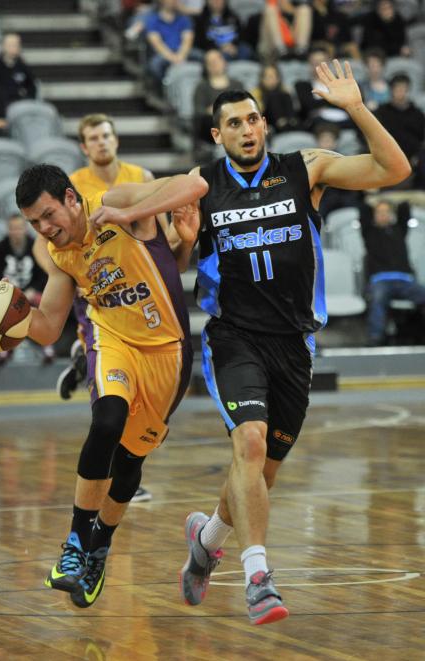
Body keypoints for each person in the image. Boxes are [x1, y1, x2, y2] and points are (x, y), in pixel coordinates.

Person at [168, 63, 410, 625]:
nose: (248, 129)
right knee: (248, 448)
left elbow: (395, 168)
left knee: (260, 474)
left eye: (254, 118)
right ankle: (258, 579)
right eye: (234, 122)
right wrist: (182, 247)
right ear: (217, 135)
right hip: (233, 338)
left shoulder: (305, 168)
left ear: (265, 124)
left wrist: (356, 106)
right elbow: (178, 262)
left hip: (294, 344)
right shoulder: (201, 185)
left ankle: (206, 539)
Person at [12, 163, 207, 609]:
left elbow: (194, 184)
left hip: (167, 351)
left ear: (71, 199)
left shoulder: (115, 203)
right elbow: (46, 328)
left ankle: (100, 544)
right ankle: (76, 544)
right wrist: (8, 311)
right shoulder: (61, 256)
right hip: (112, 341)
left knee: (130, 458)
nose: (44, 228)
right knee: (107, 420)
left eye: (48, 215)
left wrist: (130, 213)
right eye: (34, 223)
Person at [50, 112, 165, 502]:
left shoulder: (141, 178)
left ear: (116, 140)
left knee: (145, 401)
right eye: (93, 138)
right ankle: (117, 478)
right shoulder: (72, 187)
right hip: (97, 290)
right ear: (84, 147)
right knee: (113, 400)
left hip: (141, 288)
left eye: (106, 135)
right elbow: (47, 243)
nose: (101, 143)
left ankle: (83, 358)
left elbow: (160, 232)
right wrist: (63, 277)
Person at [359, 198, 425, 346]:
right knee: (377, 299)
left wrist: (394, 194)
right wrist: (371, 197)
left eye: (386, 212)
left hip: (406, 281)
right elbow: (363, 210)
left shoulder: (399, 230)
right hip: (380, 281)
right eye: (379, 212)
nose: (383, 215)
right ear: (374, 215)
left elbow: (404, 207)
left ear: (391, 214)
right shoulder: (369, 233)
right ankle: (375, 339)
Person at [0, 213, 54, 365]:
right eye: (12, 229)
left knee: (44, 302)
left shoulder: (36, 247)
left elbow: (44, 274)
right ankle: (4, 345)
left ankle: (46, 344)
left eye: (19, 228)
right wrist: (8, 291)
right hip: (8, 292)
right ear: (8, 230)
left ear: (25, 229)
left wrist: (32, 290)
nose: (16, 232)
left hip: (32, 292)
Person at [375, 74, 425, 188]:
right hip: (387, 155)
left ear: (408, 91)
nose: (401, 92)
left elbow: (422, 139)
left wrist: (417, 156)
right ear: (391, 90)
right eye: (397, 89)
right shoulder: (382, 112)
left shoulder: (417, 114)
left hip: (413, 157)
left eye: (404, 89)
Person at [0, 33, 37, 108]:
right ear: (3, 46)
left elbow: (32, 88)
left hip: (20, 106)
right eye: (10, 44)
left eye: (16, 44)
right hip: (0, 106)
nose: (14, 47)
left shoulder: (24, 67)